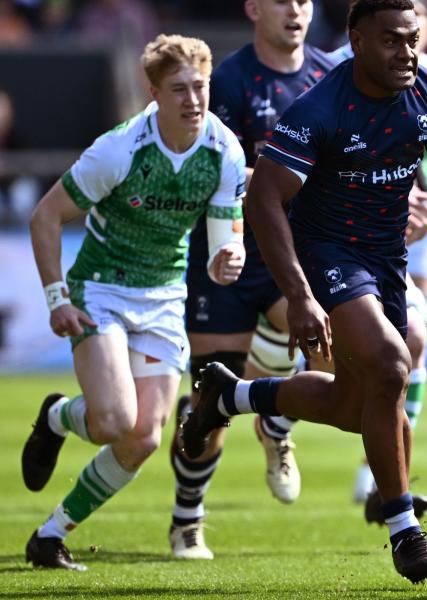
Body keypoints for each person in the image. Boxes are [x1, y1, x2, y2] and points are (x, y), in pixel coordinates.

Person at [180, 0, 427, 584]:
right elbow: (263, 197)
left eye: (411, 39)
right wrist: (300, 294)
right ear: (357, 41)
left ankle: (232, 398)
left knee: (354, 407)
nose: (405, 52)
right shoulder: (318, 108)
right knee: (393, 364)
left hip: (385, 259)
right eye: (390, 41)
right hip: (326, 256)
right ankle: (403, 528)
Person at [20, 34, 246, 571]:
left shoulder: (224, 150)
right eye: (179, 89)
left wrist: (228, 256)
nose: (193, 99)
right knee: (117, 418)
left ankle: (51, 533)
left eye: (200, 87)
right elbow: (45, 217)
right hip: (101, 286)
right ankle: (57, 416)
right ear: (154, 92)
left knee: (144, 435)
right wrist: (57, 299)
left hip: (165, 294)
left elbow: (223, 237)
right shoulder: (119, 149)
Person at [169, 0, 337, 560]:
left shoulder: (329, 76)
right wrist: (281, 169)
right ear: (253, 9)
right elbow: (202, 161)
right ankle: (187, 518)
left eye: (304, 1)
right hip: (224, 251)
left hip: (294, 250)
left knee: (334, 353)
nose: (295, 10)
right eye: (281, 0)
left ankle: (276, 420)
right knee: (205, 406)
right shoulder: (228, 82)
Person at [328, 0, 427, 522]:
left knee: (412, 345)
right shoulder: (330, 70)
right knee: (342, 372)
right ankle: (257, 403)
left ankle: (380, 479)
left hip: (416, 231)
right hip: (340, 232)